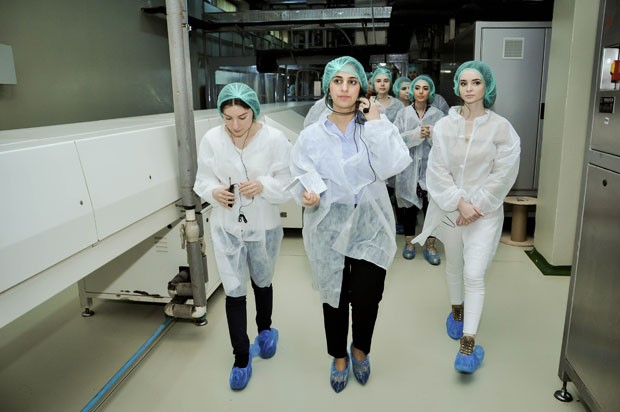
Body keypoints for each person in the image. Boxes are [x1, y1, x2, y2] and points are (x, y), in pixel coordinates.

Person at [289, 56, 411, 393]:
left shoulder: (374, 125)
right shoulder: (312, 135)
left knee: (368, 295)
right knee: (335, 295)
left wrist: (376, 122)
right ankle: (339, 356)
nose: (344, 88)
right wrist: (307, 194)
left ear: (362, 88)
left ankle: (360, 350)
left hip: (370, 222)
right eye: (338, 81)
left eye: (352, 81)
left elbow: (393, 164)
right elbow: (300, 174)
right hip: (328, 224)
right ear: (328, 86)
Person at [412, 61, 520, 374]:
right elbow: (437, 169)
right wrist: (459, 203)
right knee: (455, 264)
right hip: (451, 209)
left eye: (476, 83)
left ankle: (468, 344)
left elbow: (504, 172)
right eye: (464, 83)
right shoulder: (445, 126)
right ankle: (457, 310)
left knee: (474, 273)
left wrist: (477, 205)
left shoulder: (502, 128)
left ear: (487, 87)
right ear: (457, 87)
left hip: (484, 213)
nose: (469, 89)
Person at [194, 82, 292, 390]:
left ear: (254, 112)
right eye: (228, 118)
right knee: (234, 290)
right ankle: (241, 357)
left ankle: (265, 330)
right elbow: (203, 178)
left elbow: (288, 181)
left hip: (263, 223)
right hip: (227, 226)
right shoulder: (212, 139)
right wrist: (214, 192)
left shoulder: (274, 139)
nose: (235, 126)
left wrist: (263, 185)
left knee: (262, 281)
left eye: (242, 117)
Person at [393, 75, 445, 264]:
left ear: (430, 92)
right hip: (408, 170)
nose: (421, 91)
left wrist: (431, 134)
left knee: (432, 208)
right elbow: (395, 139)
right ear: (412, 91)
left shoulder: (438, 115)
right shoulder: (403, 114)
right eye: (417, 88)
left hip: (431, 170)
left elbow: (445, 141)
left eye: (425, 88)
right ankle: (409, 244)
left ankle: (431, 246)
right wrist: (416, 134)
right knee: (409, 209)